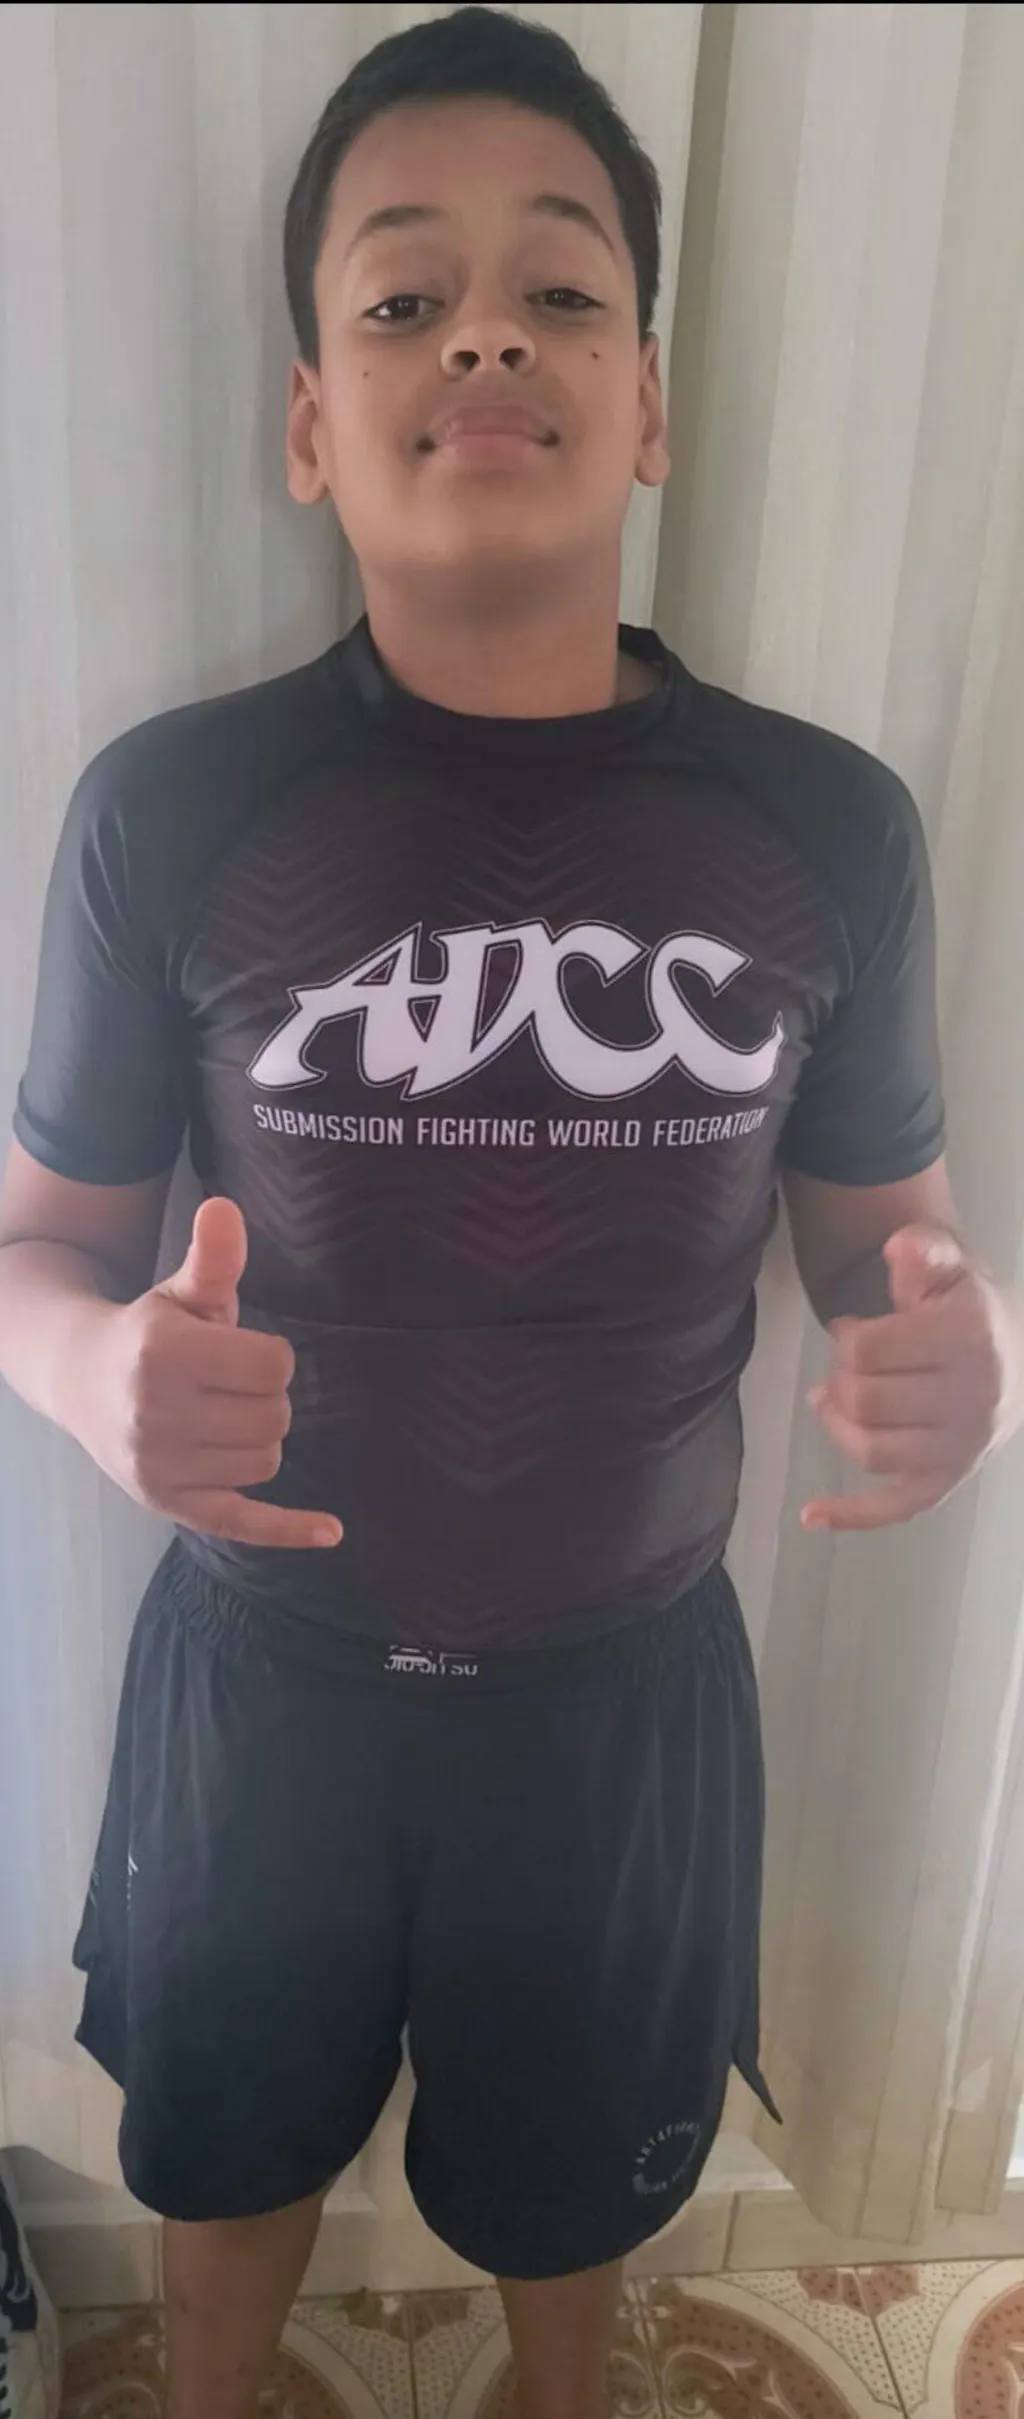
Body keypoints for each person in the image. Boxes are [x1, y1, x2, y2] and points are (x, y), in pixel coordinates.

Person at [1, 7, 1020, 2416]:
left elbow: (886, 1239)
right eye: (402, 295)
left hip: (620, 1695)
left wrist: (950, 1343)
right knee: (226, 2167)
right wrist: (90, 1370)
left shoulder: (824, 831)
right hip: (262, 1686)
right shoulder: (169, 810)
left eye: (560, 289)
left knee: (580, 2201)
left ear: (645, 403)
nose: (483, 335)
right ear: (307, 420)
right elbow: (35, 1246)